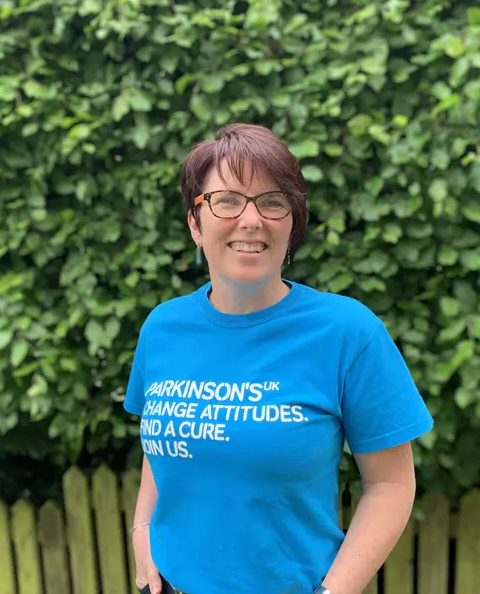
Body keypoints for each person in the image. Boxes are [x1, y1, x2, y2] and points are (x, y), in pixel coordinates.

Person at [123, 123, 433, 594]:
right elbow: (167, 440)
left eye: (272, 202)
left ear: (291, 223)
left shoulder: (348, 332)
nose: (251, 220)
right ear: (195, 222)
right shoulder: (162, 328)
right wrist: (142, 530)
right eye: (227, 200)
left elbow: (391, 486)